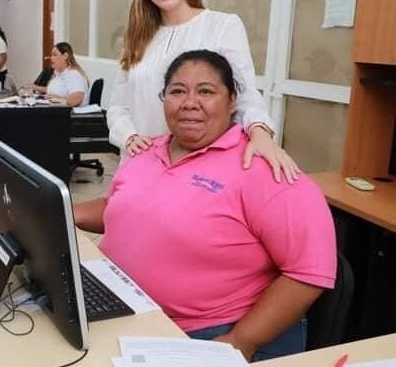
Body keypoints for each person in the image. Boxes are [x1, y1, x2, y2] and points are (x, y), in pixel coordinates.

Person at [75, 50, 336, 362]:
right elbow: (118, 209)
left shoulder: (262, 167)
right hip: (121, 309)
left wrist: (241, 341)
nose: (189, 102)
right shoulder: (146, 151)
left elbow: (310, 271)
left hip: (205, 333)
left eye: (206, 91)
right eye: (177, 91)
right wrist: (60, 208)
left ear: (232, 101)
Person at [108, 0, 298, 183]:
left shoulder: (222, 26)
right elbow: (118, 106)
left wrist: (260, 133)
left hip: (197, 170)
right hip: (142, 165)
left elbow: (244, 95)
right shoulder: (136, 38)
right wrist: (129, 137)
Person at [32, 42, 88, 107]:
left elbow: (76, 99)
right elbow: (56, 89)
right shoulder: (60, 74)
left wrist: (57, 99)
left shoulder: (74, 75)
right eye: (51, 55)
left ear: (65, 56)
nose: (51, 58)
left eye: (54, 55)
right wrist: (36, 88)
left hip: (68, 115)